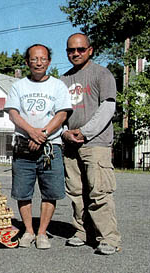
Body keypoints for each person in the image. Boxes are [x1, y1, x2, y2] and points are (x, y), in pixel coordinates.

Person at [4, 44, 72, 249]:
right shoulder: (18, 86)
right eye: (34, 59)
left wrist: (42, 134)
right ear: (27, 62)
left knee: (50, 191)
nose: (39, 62)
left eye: (43, 59)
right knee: (22, 191)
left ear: (49, 62)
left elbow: (62, 114)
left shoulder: (58, 86)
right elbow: (13, 113)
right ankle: (29, 231)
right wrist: (31, 131)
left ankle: (42, 232)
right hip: (24, 145)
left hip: (51, 146)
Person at [60, 33, 121, 255]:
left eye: (80, 49)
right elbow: (58, 114)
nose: (75, 53)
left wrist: (85, 132)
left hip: (96, 143)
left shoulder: (102, 74)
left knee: (99, 191)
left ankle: (108, 237)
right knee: (76, 191)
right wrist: (64, 133)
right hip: (70, 144)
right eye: (70, 50)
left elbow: (107, 108)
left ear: (90, 50)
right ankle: (81, 231)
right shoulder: (63, 79)